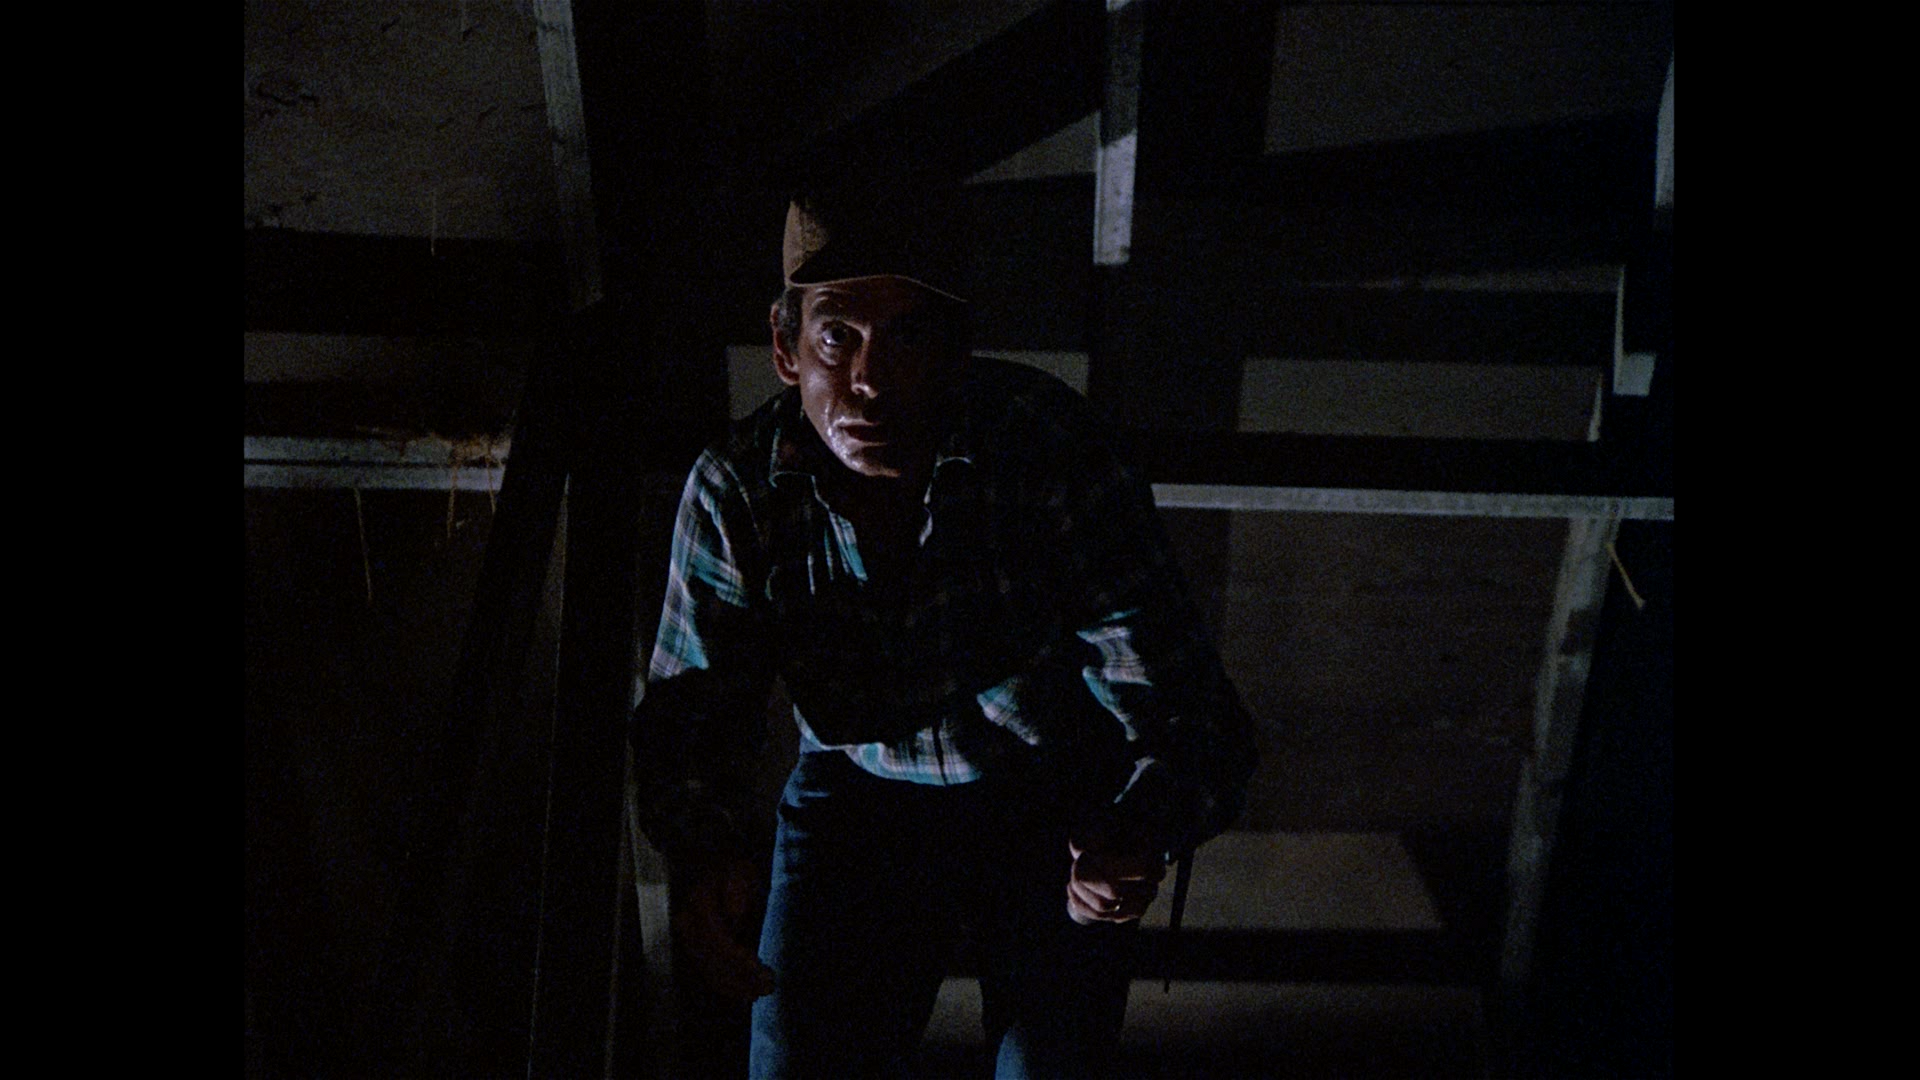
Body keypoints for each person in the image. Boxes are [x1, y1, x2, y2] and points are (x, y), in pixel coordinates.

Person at [630, 166, 1258, 1078]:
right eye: (837, 335)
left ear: (958, 352)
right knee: (797, 1061)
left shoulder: (1047, 450)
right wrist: (707, 853)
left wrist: (1139, 830)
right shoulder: (740, 487)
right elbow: (692, 708)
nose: (869, 380)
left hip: (1052, 796)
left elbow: (1185, 706)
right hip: (859, 792)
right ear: (785, 349)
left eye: (909, 335)